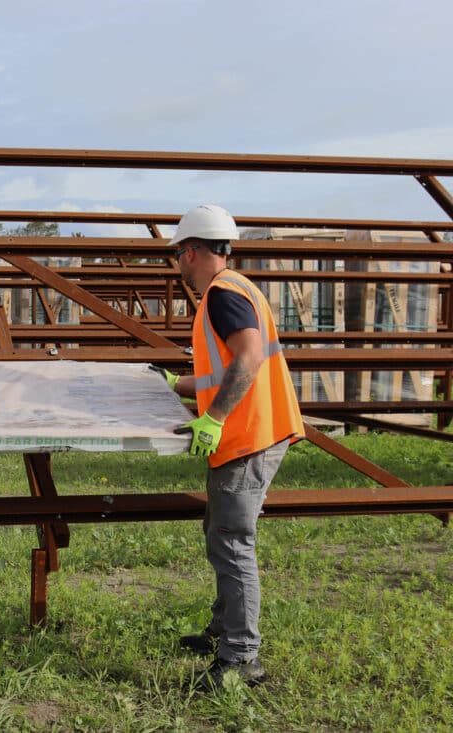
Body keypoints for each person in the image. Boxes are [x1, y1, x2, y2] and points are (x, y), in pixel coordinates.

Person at [153, 204, 304, 689]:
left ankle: (240, 659)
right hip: (252, 431)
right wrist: (180, 385)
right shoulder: (236, 289)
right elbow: (226, 369)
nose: (178, 262)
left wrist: (213, 419)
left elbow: (249, 357)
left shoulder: (221, 292)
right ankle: (223, 631)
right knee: (221, 532)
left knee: (233, 543)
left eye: (179, 253)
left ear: (193, 250)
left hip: (248, 435)